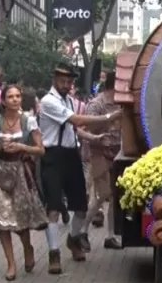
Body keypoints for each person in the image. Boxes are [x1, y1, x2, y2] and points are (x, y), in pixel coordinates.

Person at [38, 64, 120, 271]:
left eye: (69, 82)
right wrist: (109, 117)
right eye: (63, 81)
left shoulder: (68, 101)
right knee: (55, 207)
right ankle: (53, 253)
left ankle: (73, 238)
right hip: (53, 156)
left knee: (81, 206)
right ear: (54, 80)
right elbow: (76, 119)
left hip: (71, 155)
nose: (67, 85)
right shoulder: (48, 101)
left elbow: (75, 129)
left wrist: (94, 137)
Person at [0, 83, 49, 281]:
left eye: (18, 96)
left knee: (20, 218)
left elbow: (40, 149)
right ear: (4, 101)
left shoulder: (29, 121)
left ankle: (27, 247)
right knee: (1, 220)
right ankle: (11, 264)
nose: (15, 100)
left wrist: (22, 147)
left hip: (21, 172)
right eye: (11, 97)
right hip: (1, 173)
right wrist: (0, 148)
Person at [80, 70, 123, 249]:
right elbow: (82, 130)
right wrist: (96, 138)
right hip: (98, 153)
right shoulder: (96, 105)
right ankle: (81, 231)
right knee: (102, 194)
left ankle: (110, 236)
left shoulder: (121, 104)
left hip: (116, 153)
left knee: (113, 196)